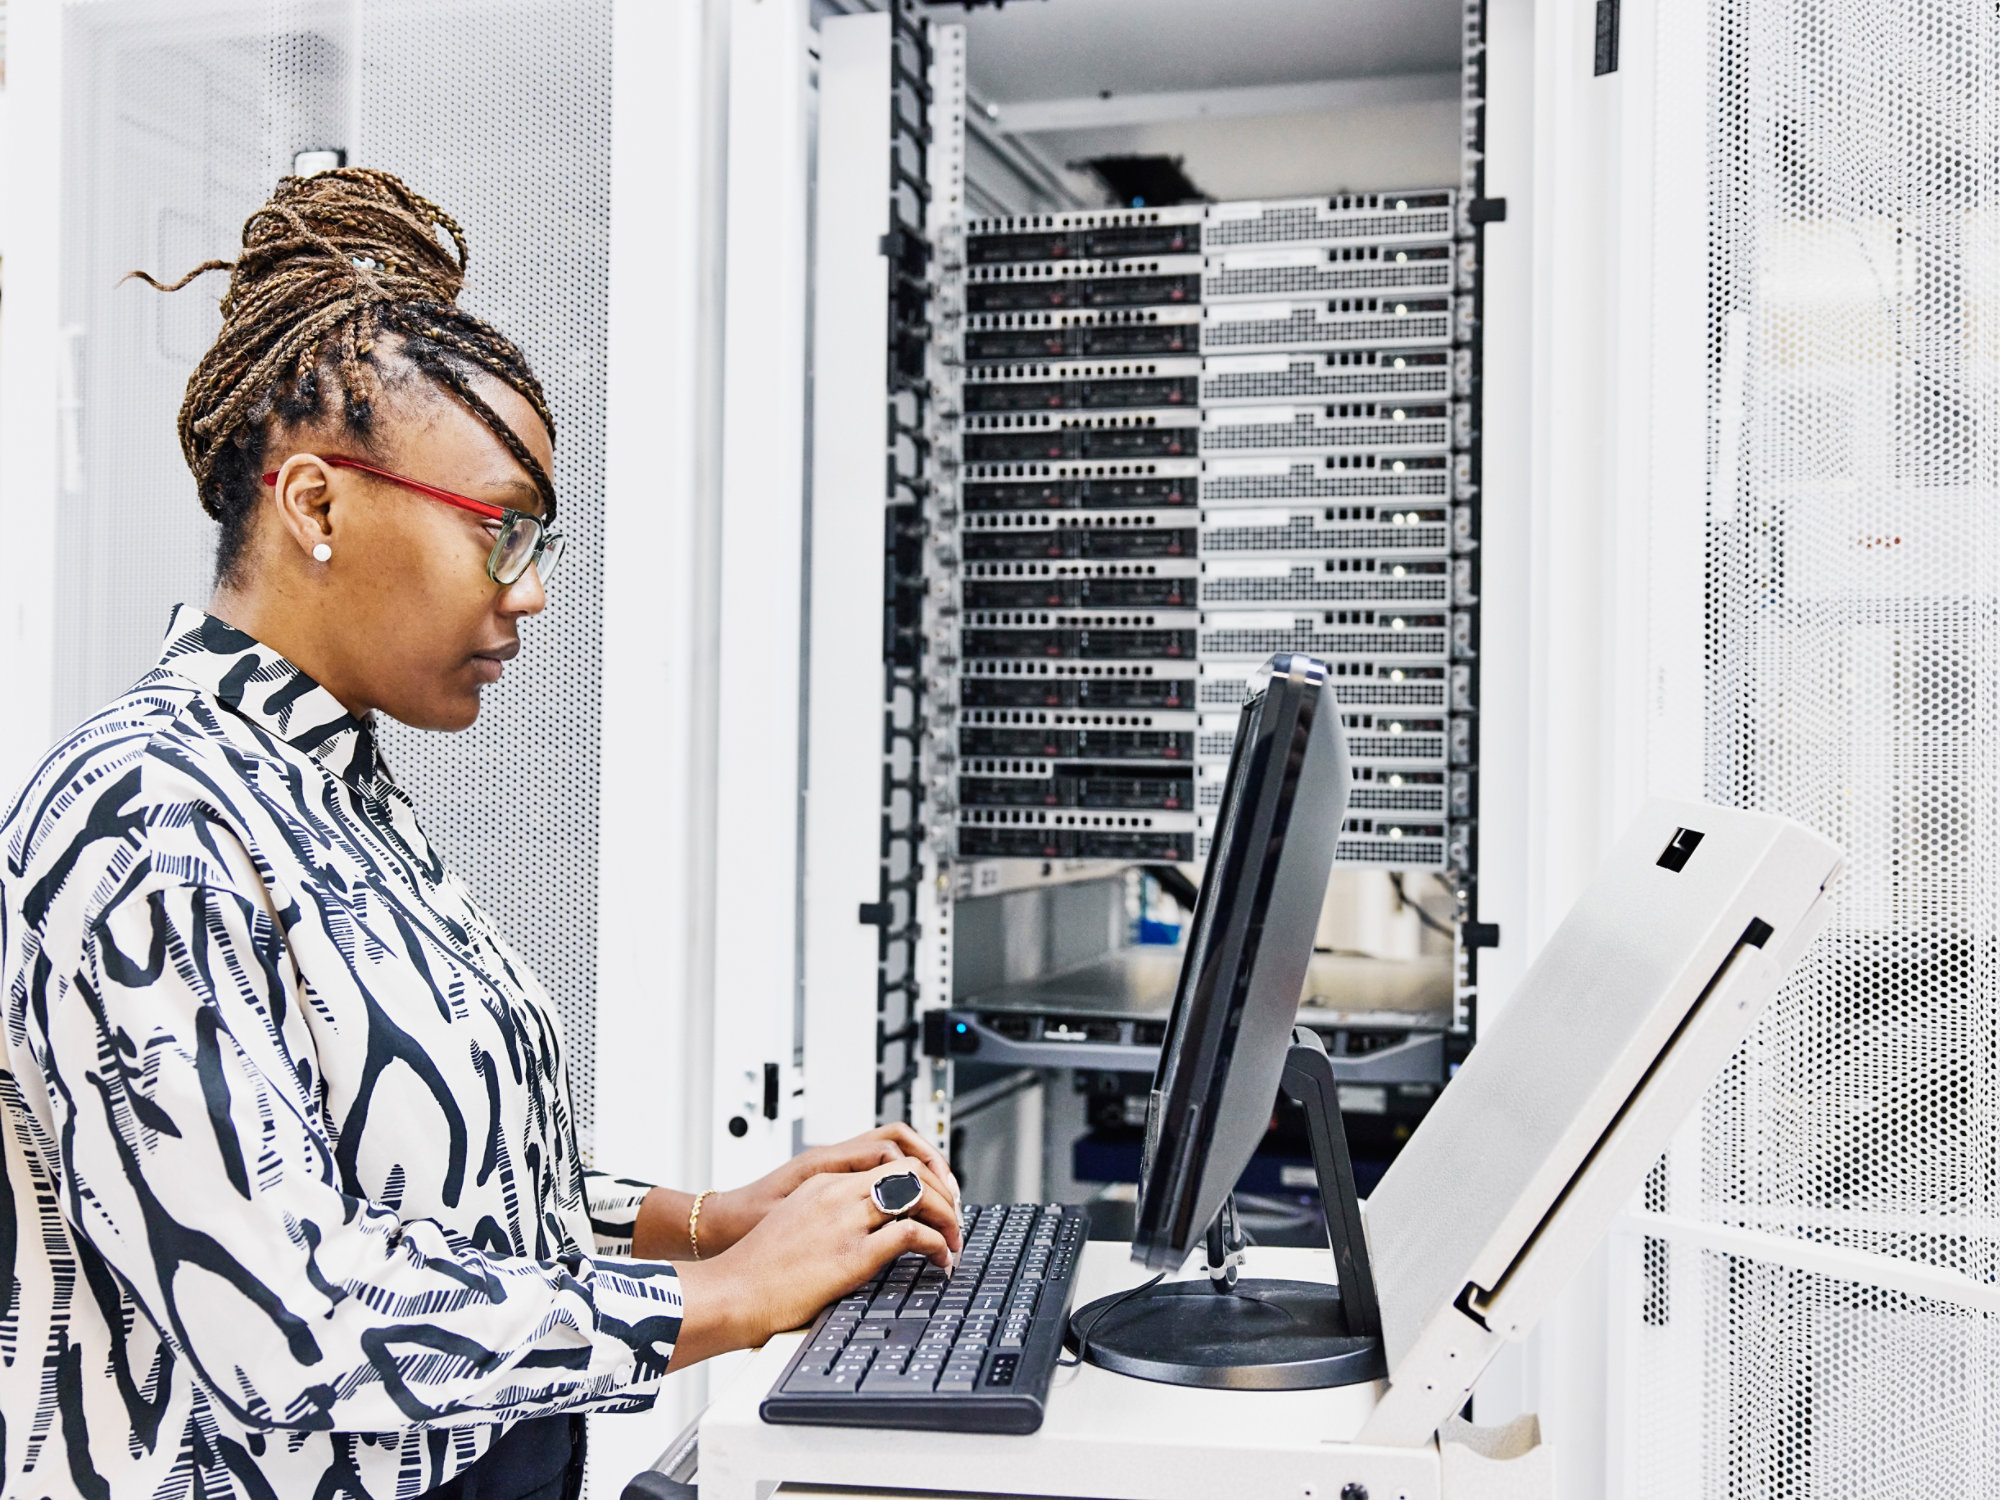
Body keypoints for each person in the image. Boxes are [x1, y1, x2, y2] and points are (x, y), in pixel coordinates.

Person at [0, 169, 961, 1500]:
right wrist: (726, 1298)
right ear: (317, 505)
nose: (535, 589)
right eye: (501, 533)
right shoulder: (144, 818)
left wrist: (706, 1219)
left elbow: (442, 1195)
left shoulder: (334, 788)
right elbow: (285, 1322)